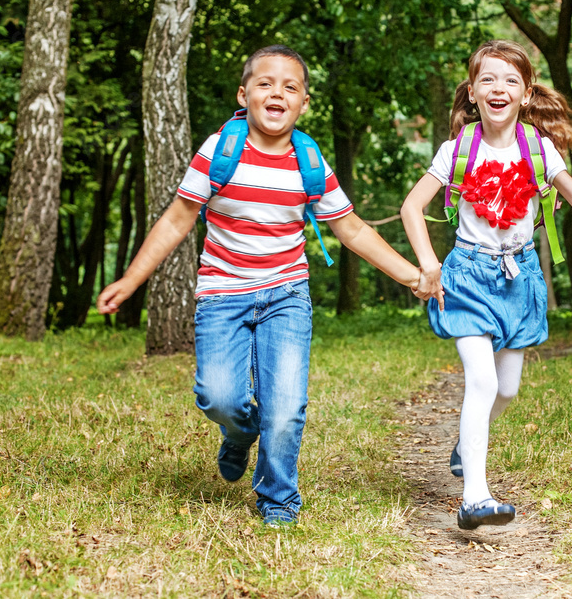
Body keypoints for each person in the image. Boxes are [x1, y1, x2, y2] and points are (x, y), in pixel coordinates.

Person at [98, 45, 436, 527]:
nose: (277, 92)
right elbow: (177, 221)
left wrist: (412, 275)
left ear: (303, 103)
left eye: (290, 86)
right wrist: (131, 280)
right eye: (265, 83)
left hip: (286, 296)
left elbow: (353, 230)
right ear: (245, 94)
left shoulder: (309, 161)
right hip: (222, 295)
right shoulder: (219, 151)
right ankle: (239, 433)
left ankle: (278, 500)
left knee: (286, 408)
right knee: (219, 397)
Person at [400, 40, 572, 530]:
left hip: (520, 280)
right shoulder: (458, 150)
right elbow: (412, 208)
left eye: (510, 80)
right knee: (483, 380)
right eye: (488, 79)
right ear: (472, 92)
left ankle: (465, 445)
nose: (499, 88)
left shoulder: (540, 149)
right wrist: (429, 264)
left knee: (508, 390)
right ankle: (475, 495)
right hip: (468, 277)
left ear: (526, 93)